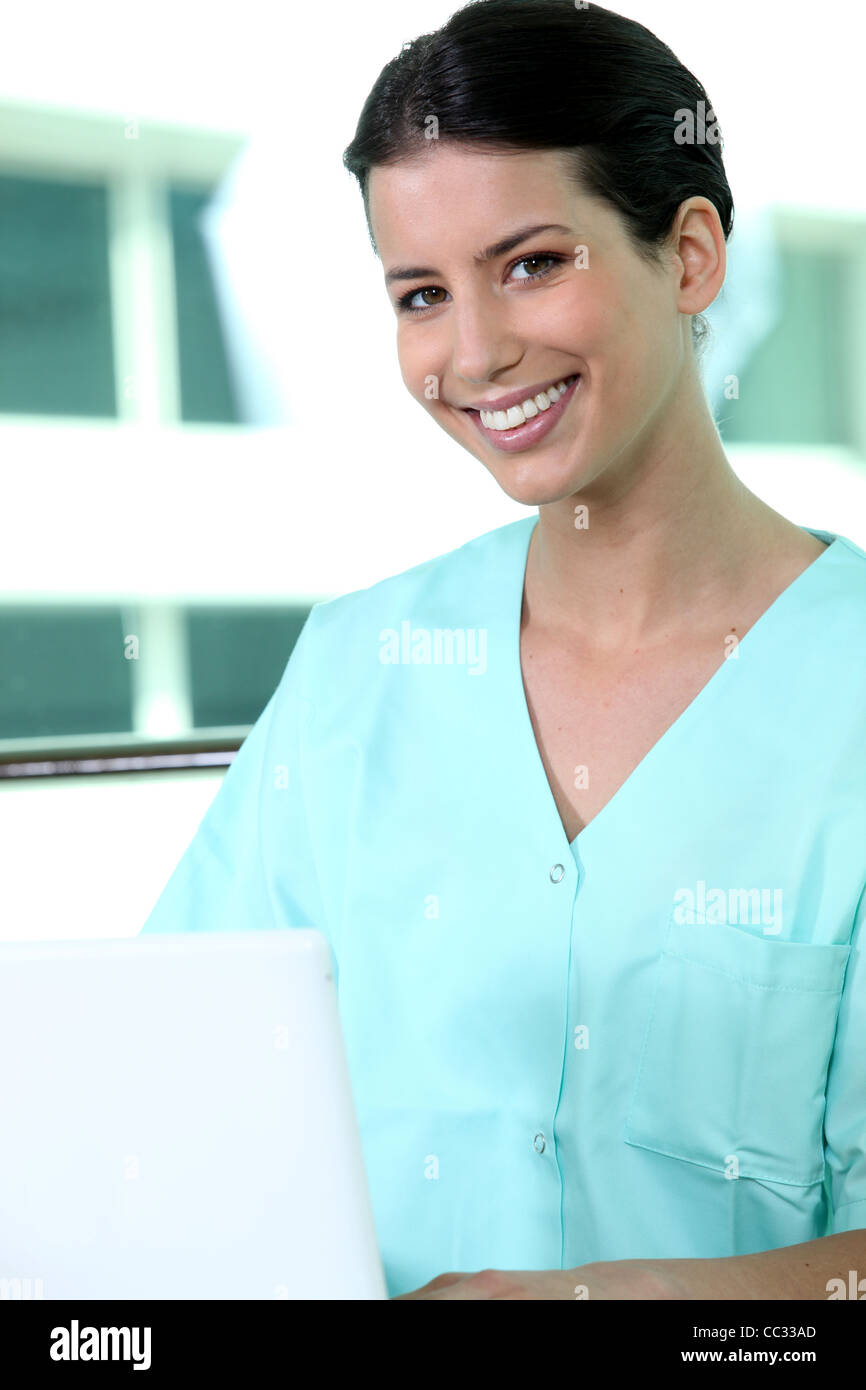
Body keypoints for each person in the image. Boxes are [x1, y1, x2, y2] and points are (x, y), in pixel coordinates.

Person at [142, 0, 866, 1299]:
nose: (473, 352)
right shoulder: (353, 672)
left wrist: (606, 1300)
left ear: (688, 254)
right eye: (421, 294)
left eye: (532, 262)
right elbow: (169, 1089)